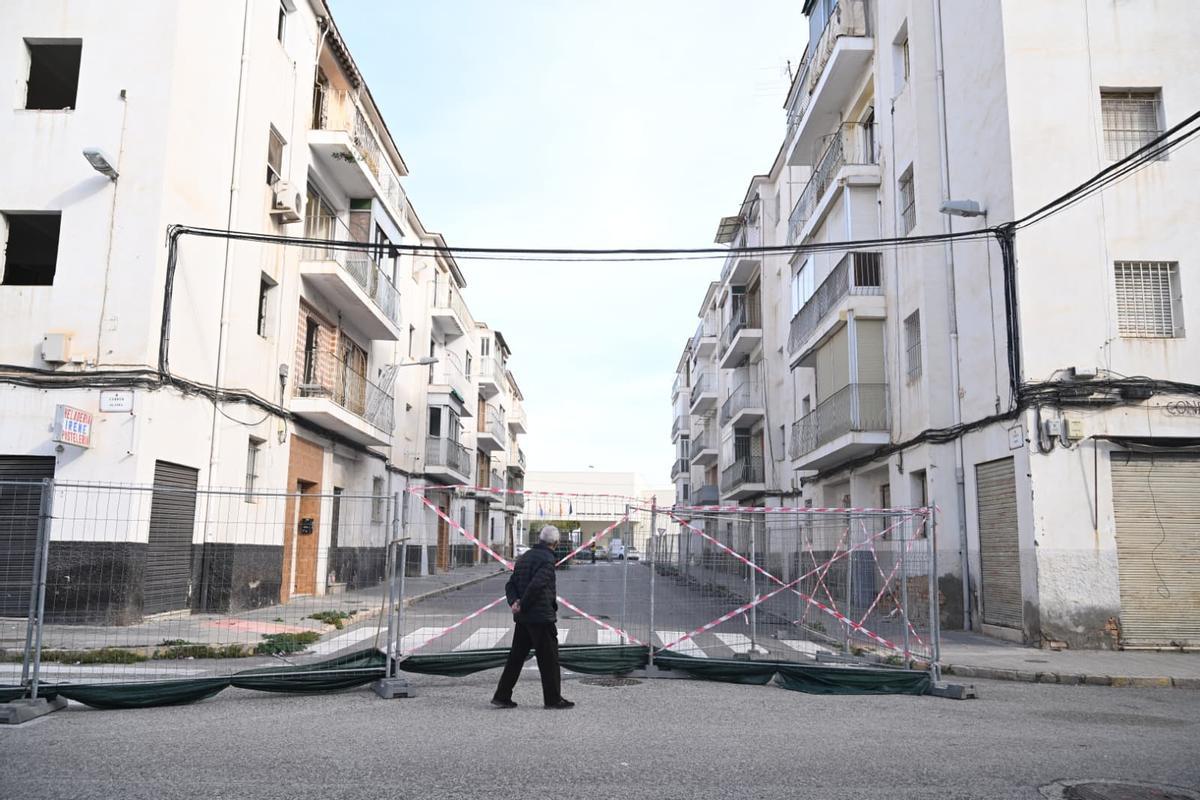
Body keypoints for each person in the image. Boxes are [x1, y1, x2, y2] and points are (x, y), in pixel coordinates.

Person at [491, 526, 575, 710]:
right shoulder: (547, 560)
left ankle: (502, 695)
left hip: (523, 619)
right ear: (555, 543)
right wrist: (523, 604)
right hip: (540, 617)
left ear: (540, 539)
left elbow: (511, 584)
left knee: (516, 657)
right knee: (549, 659)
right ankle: (553, 699)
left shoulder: (525, 557)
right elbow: (537, 585)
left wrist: (514, 602)